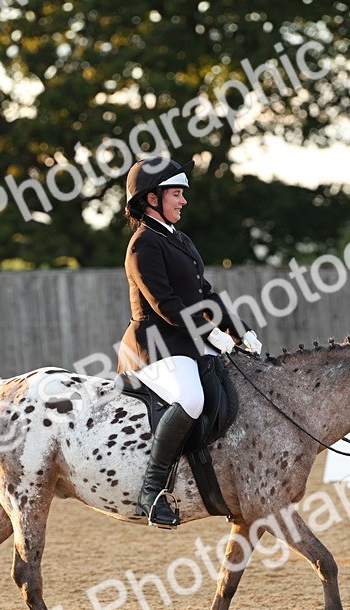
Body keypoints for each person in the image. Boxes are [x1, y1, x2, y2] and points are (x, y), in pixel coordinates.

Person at [118, 156, 263, 528]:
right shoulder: (143, 246)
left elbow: (206, 294)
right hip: (154, 345)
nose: (183, 201)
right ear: (152, 199)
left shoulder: (179, 239)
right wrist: (208, 332)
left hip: (186, 338)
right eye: (177, 194)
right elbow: (165, 304)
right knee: (191, 398)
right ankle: (151, 491)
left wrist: (239, 329)